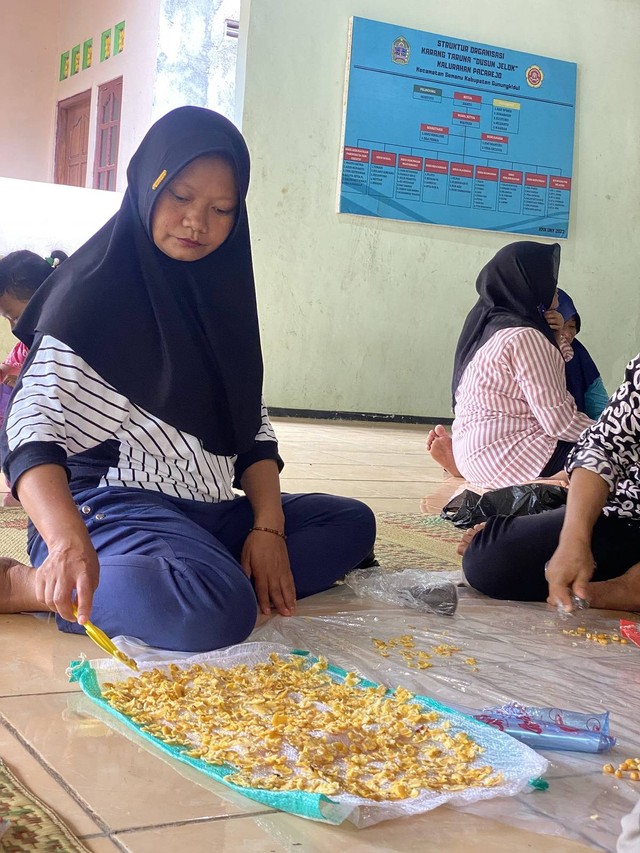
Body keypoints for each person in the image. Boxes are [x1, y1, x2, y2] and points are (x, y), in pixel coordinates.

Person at [0, 107, 376, 652]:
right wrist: (62, 542)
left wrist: (267, 529)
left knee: (349, 524)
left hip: (203, 508)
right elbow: (29, 430)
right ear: (148, 186)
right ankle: (36, 585)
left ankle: (177, 573)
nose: (197, 222)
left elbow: (253, 429)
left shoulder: (221, 301)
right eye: (180, 197)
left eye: (221, 209)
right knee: (213, 609)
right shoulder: (90, 296)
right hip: (105, 506)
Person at [459, 353, 640, 611]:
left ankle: (624, 590)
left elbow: (560, 419)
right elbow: (602, 447)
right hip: (630, 516)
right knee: (490, 560)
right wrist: (574, 538)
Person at [426, 242, 593, 489]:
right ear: (530, 283)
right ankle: (547, 482)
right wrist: (614, 434)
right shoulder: (526, 337)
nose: (555, 291)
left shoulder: (490, 325)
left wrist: (556, 336)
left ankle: (463, 467)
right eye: (550, 281)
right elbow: (560, 422)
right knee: (613, 458)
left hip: (474, 453)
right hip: (512, 457)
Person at [0, 250, 68, 400]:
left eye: (16, 318)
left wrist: (26, 385)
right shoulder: (23, 349)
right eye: (7, 319)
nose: (13, 328)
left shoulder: (63, 351)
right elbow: (7, 368)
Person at [555, 289, 609, 420]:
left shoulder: (578, 354)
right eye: (562, 325)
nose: (568, 334)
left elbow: (599, 404)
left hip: (580, 434)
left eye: (572, 326)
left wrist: (600, 433)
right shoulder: (532, 351)